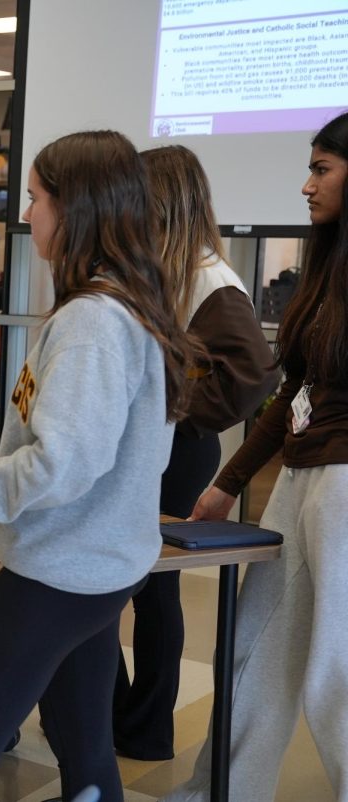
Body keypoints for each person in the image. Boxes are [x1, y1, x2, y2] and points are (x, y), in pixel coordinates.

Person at [0, 130, 195, 802]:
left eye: (36, 198)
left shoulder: (94, 322)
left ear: (77, 209)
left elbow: (62, 464)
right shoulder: (129, 306)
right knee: (83, 748)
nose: (26, 214)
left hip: (59, 573)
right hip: (98, 568)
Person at [164, 110, 348, 802]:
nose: (306, 185)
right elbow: (291, 390)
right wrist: (227, 483)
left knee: (336, 674)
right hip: (305, 480)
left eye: (322, 168)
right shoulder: (325, 270)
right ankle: (218, 792)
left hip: (344, 489)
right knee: (254, 653)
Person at [112, 146, 277, 761]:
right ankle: (126, 720)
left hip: (177, 452)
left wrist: (173, 409)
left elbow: (254, 375)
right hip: (161, 446)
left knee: (149, 587)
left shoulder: (210, 278)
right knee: (140, 585)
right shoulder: (169, 267)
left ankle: (140, 727)